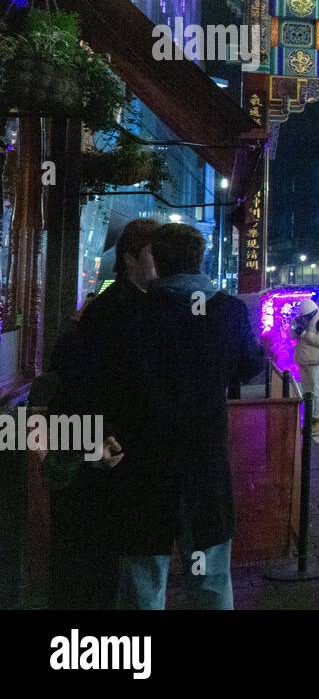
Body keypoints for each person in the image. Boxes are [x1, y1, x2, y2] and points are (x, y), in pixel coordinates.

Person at [101, 223, 265, 609]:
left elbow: (110, 382)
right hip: (205, 464)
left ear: (156, 260)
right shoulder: (227, 311)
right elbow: (249, 367)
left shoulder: (134, 314)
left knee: (144, 583)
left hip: (143, 463)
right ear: (200, 258)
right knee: (209, 582)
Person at [45, 218, 160, 609]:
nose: (158, 265)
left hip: (112, 452)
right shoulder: (115, 310)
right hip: (108, 456)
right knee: (103, 567)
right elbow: (92, 383)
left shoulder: (125, 304)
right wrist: (99, 437)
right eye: (152, 256)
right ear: (129, 258)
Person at [293, 298, 319, 434]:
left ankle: (317, 420)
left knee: (316, 390)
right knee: (307, 391)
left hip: (316, 361)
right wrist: (295, 328)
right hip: (303, 360)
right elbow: (292, 336)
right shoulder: (302, 319)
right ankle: (309, 418)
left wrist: (305, 333)